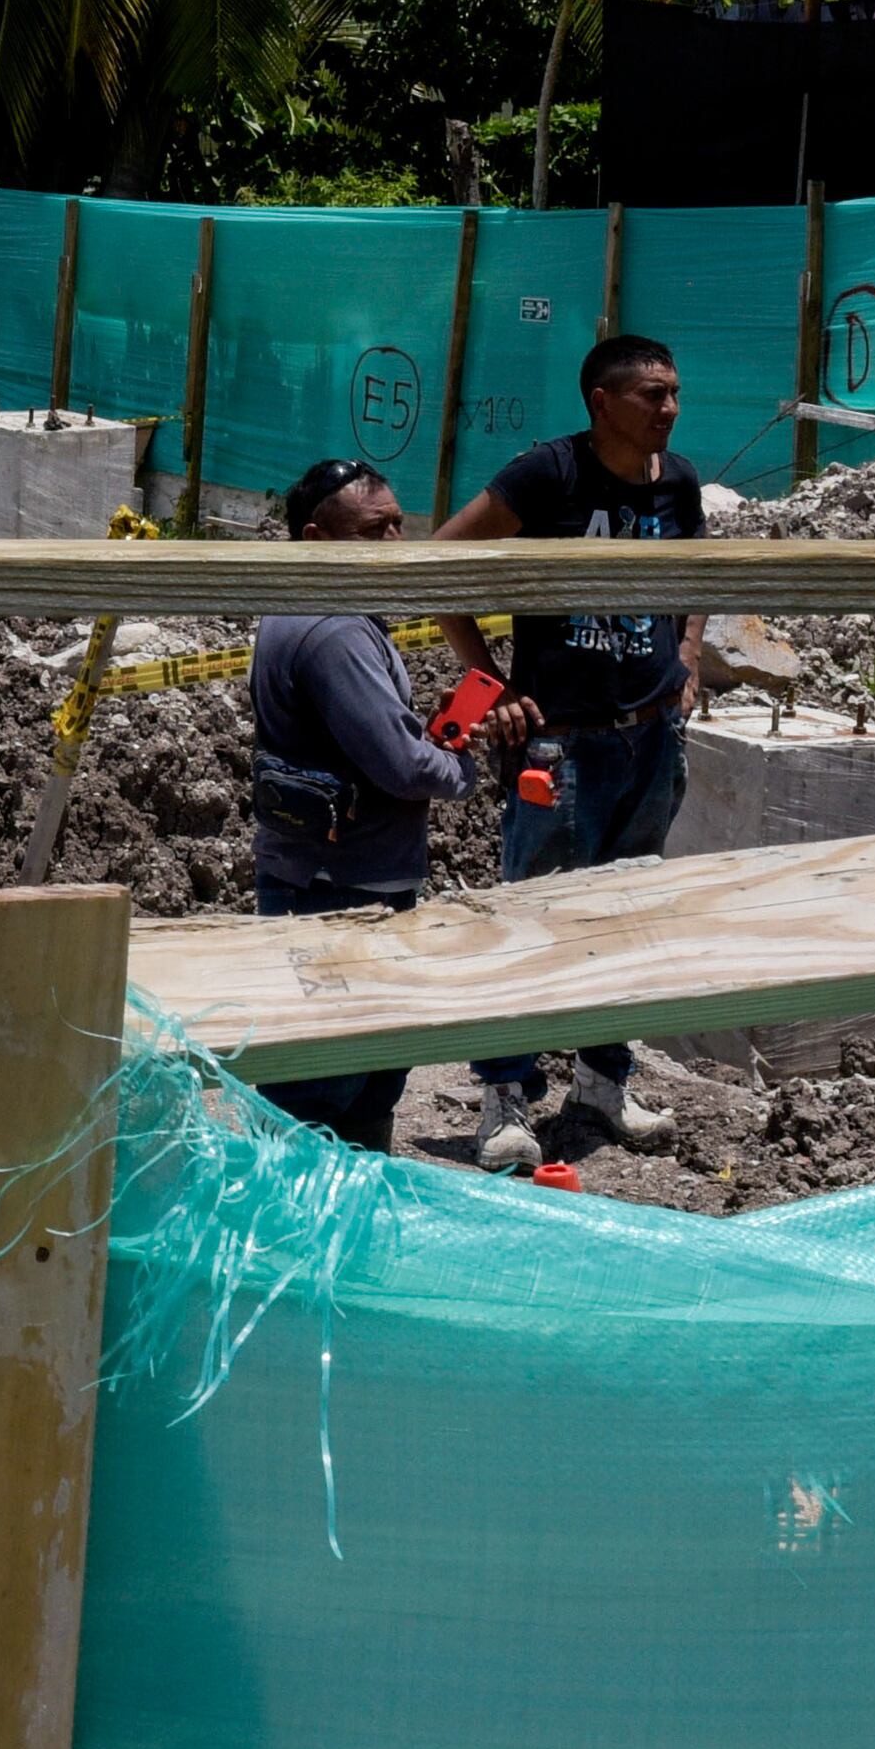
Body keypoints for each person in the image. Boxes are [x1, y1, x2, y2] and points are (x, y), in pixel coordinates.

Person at [434, 331, 709, 1170]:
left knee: (626, 918)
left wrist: (687, 656)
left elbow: (702, 573)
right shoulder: (547, 475)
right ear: (601, 401)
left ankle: (602, 1079)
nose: (669, 408)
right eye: (651, 393)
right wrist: (490, 681)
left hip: (649, 740)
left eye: (672, 392)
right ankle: (505, 1097)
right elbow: (441, 560)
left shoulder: (681, 483)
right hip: (561, 748)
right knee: (530, 917)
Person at [242, 457, 470, 1149]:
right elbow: (402, 766)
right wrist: (460, 765)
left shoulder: (324, 611)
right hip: (337, 893)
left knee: (363, 1079)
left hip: (328, 878)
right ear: (316, 538)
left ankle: (340, 1233)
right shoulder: (336, 628)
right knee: (319, 1091)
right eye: (376, 531)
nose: (396, 543)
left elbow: (375, 742)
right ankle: (298, 1241)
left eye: (401, 525)